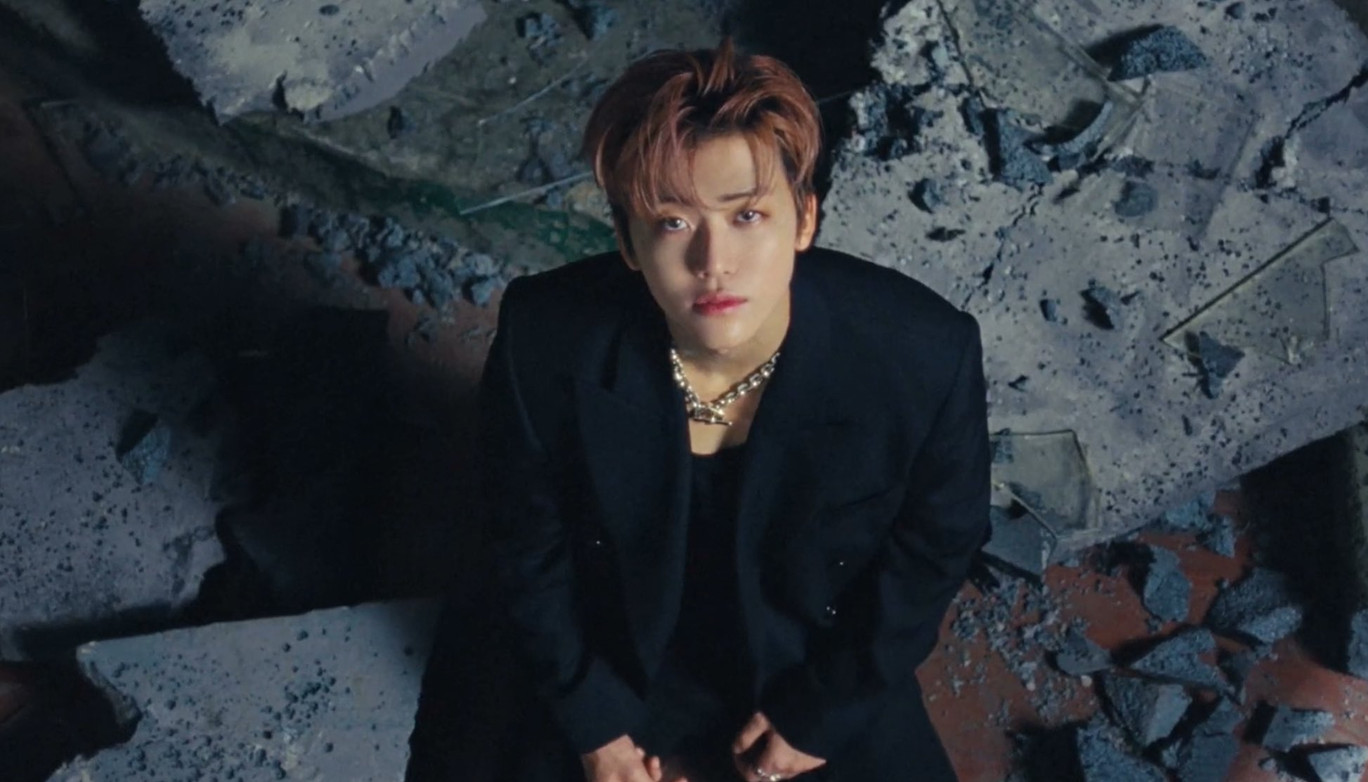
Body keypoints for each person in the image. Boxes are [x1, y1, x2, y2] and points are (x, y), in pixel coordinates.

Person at [409, 38, 990, 782]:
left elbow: (934, 551)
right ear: (627, 243)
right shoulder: (546, 337)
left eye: (747, 215)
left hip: (806, 658)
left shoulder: (924, 356)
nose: (714, 263)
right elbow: (524, 544)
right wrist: (595, 725)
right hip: (606, 643)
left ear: (804, 220)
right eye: (673, 222)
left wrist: (819, 714)